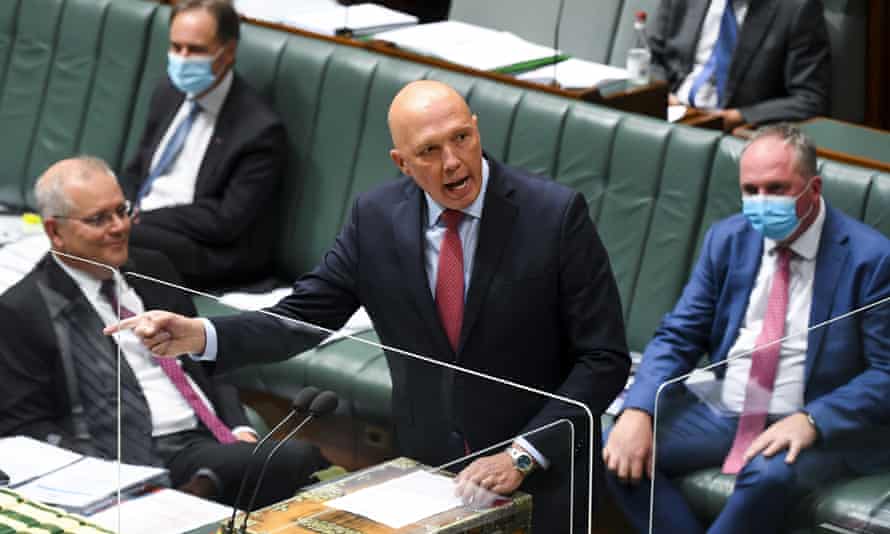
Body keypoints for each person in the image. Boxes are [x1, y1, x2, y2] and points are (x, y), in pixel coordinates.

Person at [110, 80, 631, 532]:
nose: (453, 162)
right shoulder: (376, 219)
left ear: (476, 129)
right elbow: (302, 317)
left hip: (546, 477)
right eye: (429, 151)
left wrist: (524, 453)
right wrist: (201, 335)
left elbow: (603, 359)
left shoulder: (554, 216)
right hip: (435, 473)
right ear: (401, 163)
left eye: (461, 138)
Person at [602, 125, 890, 533]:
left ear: (814, 188)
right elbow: (679, 333)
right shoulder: (728, 239)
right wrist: (639, 408)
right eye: (751, 190)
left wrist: (813, 419)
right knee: (616, 448)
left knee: (768, 476)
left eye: (777, 188)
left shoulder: (871, 259)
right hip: (732, 406)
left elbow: (886, 372)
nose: (761, 202)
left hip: (817, 422)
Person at [0, 157, 327, 508]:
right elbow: (25, 427)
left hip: (202, 442)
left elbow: (210, 363)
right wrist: (100, 475)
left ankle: (196, 491)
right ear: (54, 232)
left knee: (295, 465)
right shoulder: (23, 309)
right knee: (297, 461)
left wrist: (236, 427)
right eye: (98, 219)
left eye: (122, 211)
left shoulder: (155, 267)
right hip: (121, 455)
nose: (118, 227)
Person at [122, 0, 286, 288]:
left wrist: (142, 220)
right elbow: (137, 169)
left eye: (196, 50)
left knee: (107, 238)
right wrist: (117, 206)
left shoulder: (259, 129)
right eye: (176, 47)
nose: (182, 59)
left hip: (206, 248)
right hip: (142, 224)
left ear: (229, 51)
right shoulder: (167, 92)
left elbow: (226, 221)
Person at [649, 0, 831, 130]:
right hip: (669, 115)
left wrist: (739, 117)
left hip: (735, 132)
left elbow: (809, 100)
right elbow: (651, 57)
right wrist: (662, 95)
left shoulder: (798, 8)